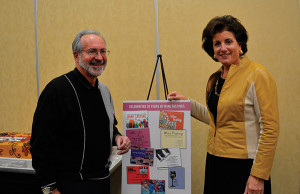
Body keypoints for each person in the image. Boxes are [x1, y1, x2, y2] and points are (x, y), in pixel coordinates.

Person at [168, 15, 279, 194]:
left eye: (228, 41)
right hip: (214, 161)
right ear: (212, 49)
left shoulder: (258, 75)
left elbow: (270, 129)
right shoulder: (216, 79)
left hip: (244, 166)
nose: (223, 48)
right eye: (217, 43)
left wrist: (258, 175)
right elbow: (217, 119)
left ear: (240, 45)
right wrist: (186, 104)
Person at [30, 30, 131, 194]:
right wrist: (49, 189)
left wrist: (118, 138)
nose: (99, 57)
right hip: (69, 186)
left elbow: (109, 128)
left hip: (102, 183)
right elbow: (40, 146)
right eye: (92, 51)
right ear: (76, 56)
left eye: (103, 51)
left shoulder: (104, 91)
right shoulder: (57, 90)